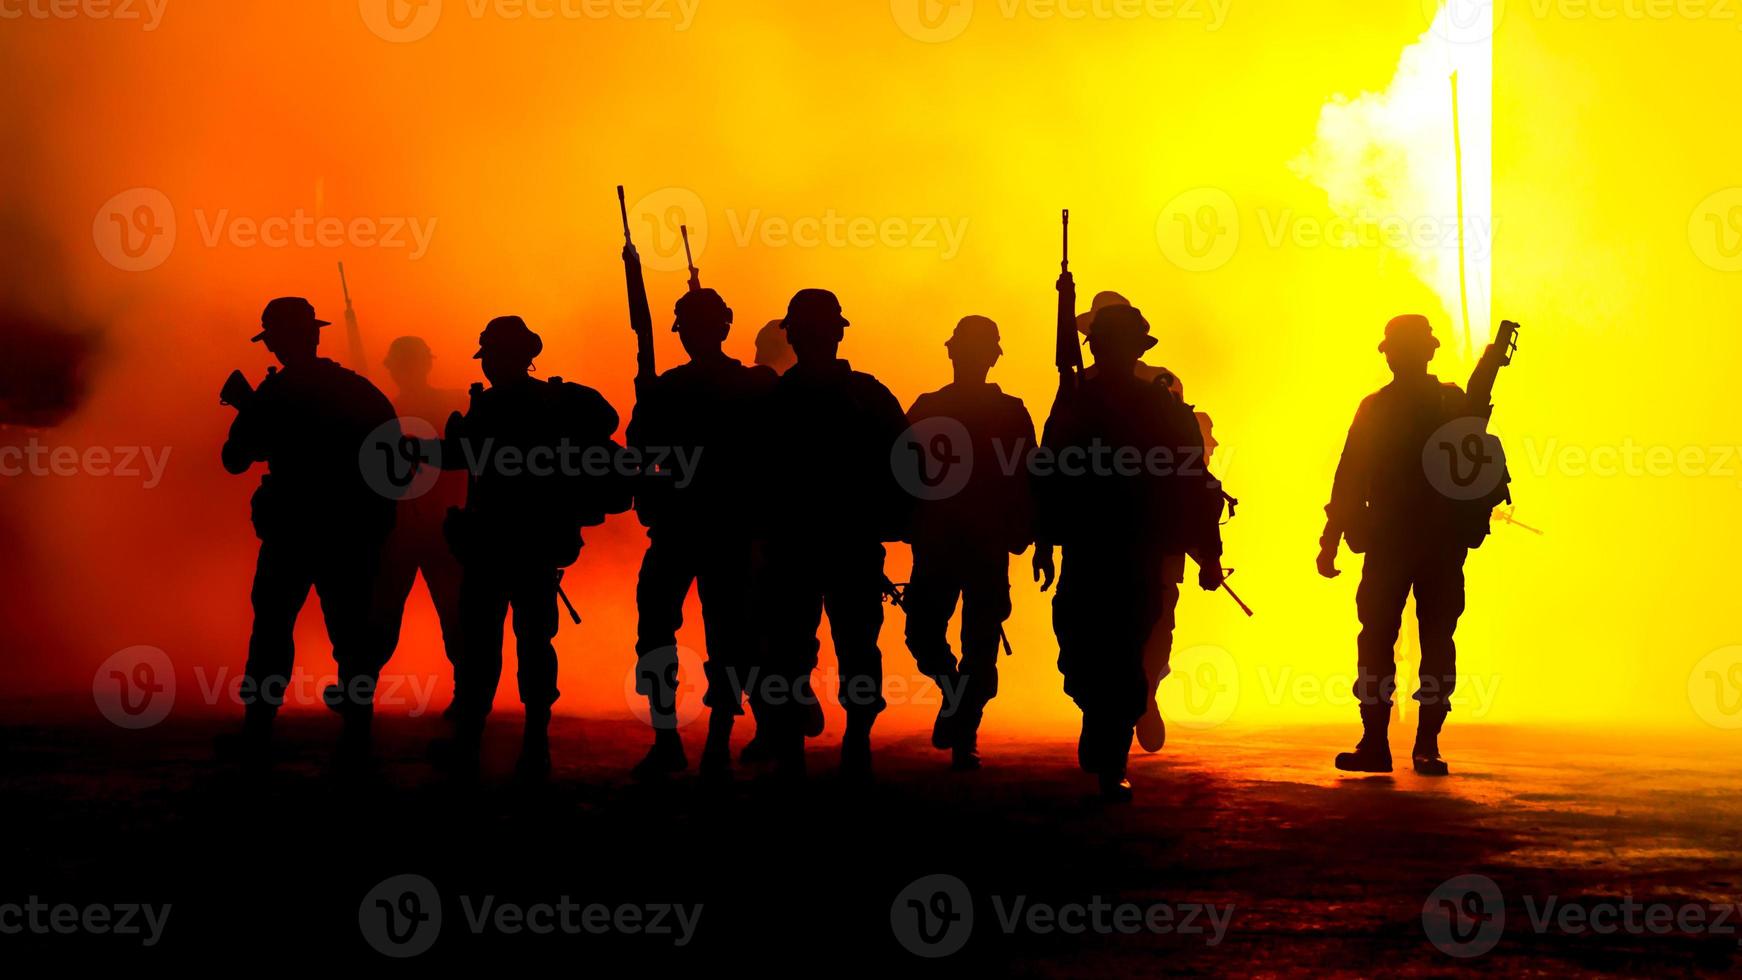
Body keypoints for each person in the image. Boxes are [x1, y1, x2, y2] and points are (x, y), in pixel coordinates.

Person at [1033, 305, 1224, 801]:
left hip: (1138, 549)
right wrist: (1045, 541)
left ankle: (1112, 753)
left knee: (1126, 652)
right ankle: (1099, 717)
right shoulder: (1075, 401)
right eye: (1104, 344)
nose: (1108, 352)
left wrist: (1207, 550)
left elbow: (1194, 481)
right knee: (1077, 647)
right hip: (1087, 545)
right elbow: (1049, 471)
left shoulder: (1163, 408)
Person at [434, 316, 627, 776]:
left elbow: (460, 459)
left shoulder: (493, 407)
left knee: (485, 647)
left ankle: (477, 745)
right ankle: (532, 744)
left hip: (496, 547)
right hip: (536, 546)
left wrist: (429, 447)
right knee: (532, 644)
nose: (490, 366)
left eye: (495, 356)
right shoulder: (555, 404)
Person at [218, 297, 399, 763]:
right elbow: (391, 458)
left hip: (295, 531)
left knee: (274, 629)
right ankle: (358, 729)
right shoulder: (356, 389)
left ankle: (259, 728)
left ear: (278, 340)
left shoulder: (276, 395)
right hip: (344, 532)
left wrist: (248, 407)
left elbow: (236, 459)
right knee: (350, 633)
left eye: (275, 338)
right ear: (314, 335)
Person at [757, 289, 910, 780]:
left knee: (843, 647)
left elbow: (906, 468)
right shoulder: (790, 399)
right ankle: (826, 738)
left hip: (833, 544)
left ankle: (852, 738)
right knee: (815, 648)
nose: (814, 340)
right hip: (812, 545)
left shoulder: (850, 398)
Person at [626, 288, 776, 781]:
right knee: (679, 635)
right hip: (695, 528)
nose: (692, 336)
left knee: (717, 638)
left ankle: (702, 741)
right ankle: (682, 739)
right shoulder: (740, 388)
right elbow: (642, 457)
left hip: (714, 528)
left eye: (696, 326)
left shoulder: (692, 389)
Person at [1318, 315, 1469, 777]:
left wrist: (1331, 541)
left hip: (1423, 541)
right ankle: (1391, 743)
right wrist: (1331, 538)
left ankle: (1414, 743)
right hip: (1411, 541)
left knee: (1417, 642)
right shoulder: (1431, 404)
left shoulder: (1441, 404)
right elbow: (1349, 476)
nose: (1400, 358)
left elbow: (1475, 461)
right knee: (1395, 641)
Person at [901, 316, 1036, 770]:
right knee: (925, 635)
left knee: (977, 644)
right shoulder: (927, 408)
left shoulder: (1007, 413)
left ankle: (964, 729)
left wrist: (1032, 535)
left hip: (979, 544)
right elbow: (902, 472)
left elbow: (1027, 479)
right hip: (945, 542)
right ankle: (957, 701)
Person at [356, 337, 468, 716]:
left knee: (454, 616)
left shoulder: (390, 410)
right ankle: (362, 693)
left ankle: (465, 695)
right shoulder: (387, 410)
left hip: (440, 526)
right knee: (382, 616)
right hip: (403, 529)